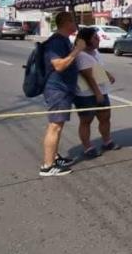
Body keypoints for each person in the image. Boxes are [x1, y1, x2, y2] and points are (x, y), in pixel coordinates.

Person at [40, 11, 84, 177]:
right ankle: (47, 166)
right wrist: (77, 50)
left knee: (58, 125)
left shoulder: (64, 40)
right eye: (74, 20)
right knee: (55, 126)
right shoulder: (55, 42)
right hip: (57, 90)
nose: (76, 23)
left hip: (64, 89)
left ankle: (54, 157)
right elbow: (58, 65)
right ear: (66, 22)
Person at [74, 27, 119, 159]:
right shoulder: (81, 55)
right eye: (95, 37)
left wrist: (108, 74)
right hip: (87, 95)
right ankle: (88, 147)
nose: (98, 39)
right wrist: (98, 93)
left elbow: (97, 67)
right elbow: (88, 76)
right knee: (86, 121)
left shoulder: (95, 52)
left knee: (105, 118)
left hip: (102, 91)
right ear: (86, 40)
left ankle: (107, 141)